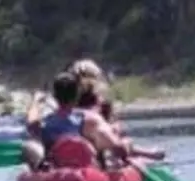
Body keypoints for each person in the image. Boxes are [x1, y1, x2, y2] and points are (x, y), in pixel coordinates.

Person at [23, 71, 163, 170]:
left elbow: (31, 122)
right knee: (121, 143)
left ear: (55, 96)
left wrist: (36, 101)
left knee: (31, 146)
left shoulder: (45, 123)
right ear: (77, 95)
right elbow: (117, 147)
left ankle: (43, 167)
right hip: (87, 168)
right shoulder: (89, 119)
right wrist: (125, 148)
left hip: (57, 168)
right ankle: (147, 153)